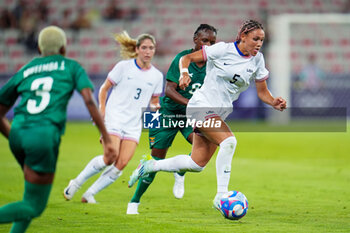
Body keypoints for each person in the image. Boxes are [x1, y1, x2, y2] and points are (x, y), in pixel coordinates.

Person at [128, 20, 287, 212]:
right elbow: (185, 59)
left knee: (196, 164)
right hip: (200, 106)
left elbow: (263, 92)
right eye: (255, 39)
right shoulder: (221, 50)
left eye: (262, 40)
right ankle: (220, 197)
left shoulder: (258, 60)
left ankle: (151, 166)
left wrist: (273, 102)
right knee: (229, 142)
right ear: (243, 36)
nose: (259, 43)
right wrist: (184, 74)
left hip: (219, 111)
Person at [0, 26, 116, 233]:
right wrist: (107, 139)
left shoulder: (27, 68)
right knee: (34, 206)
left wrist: (15, 138)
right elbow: (89, 99)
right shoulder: (71, 67)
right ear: (64, 48)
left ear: (39, 48)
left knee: (30, 197)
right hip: (43, 137)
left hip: (18, 131)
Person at [63, 31, 163, 204]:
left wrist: (156, 110)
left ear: (154, 51)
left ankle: (89, 194)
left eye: (151, 48)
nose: (148, 51)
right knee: (110, 156)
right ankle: (76, 183)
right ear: (137, 49)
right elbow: (104, 88)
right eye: (144, 47)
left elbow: (154, 101)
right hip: (114, 118)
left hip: (134, 124)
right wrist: (102, 109)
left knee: (121, 164)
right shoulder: (124, 67)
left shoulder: (157, 76)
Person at [127, 24, 218, 215]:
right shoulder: (182, 59)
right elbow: (169, 90)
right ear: (195, 39)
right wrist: (190, 103)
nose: (208, 45)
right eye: (205, 41)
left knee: (205, 147)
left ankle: (180, 170)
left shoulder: (213, 63)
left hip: (189, 117)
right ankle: (134, 202)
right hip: (166, 113)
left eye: (212, 42)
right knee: (156, 159)